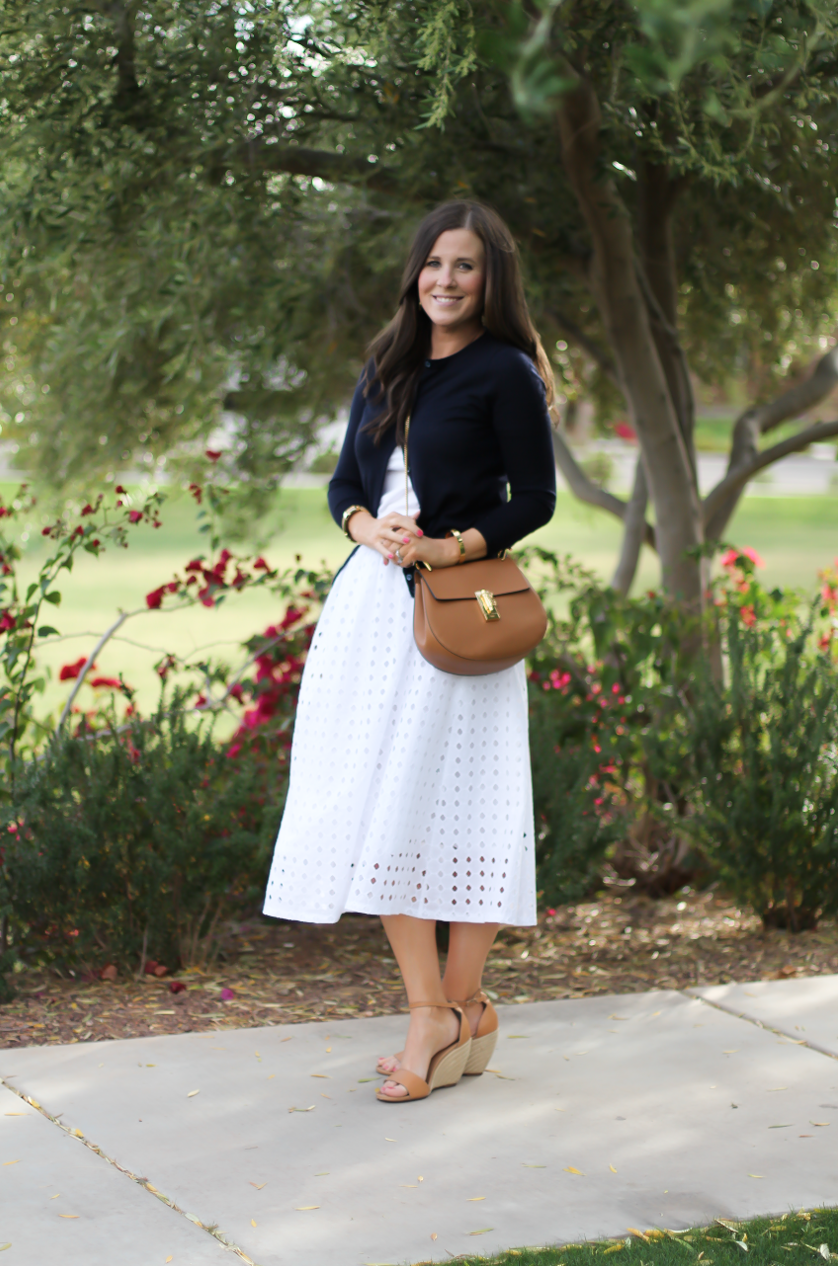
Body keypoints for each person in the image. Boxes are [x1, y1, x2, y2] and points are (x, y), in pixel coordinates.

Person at [263, 200, 556, 1102]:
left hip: (455, 611)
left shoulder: (505, 370)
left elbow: (534, 499)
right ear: (415, 273)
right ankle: (445, 1012)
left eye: (465, 266)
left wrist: (448, 545)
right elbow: (345, 481)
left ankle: (450, 1011)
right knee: (378, 794)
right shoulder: (387, 360)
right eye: (435, 264)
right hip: (370, 608)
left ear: (490, 279)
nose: (446, 280)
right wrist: (365, 526)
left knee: (463, 804)